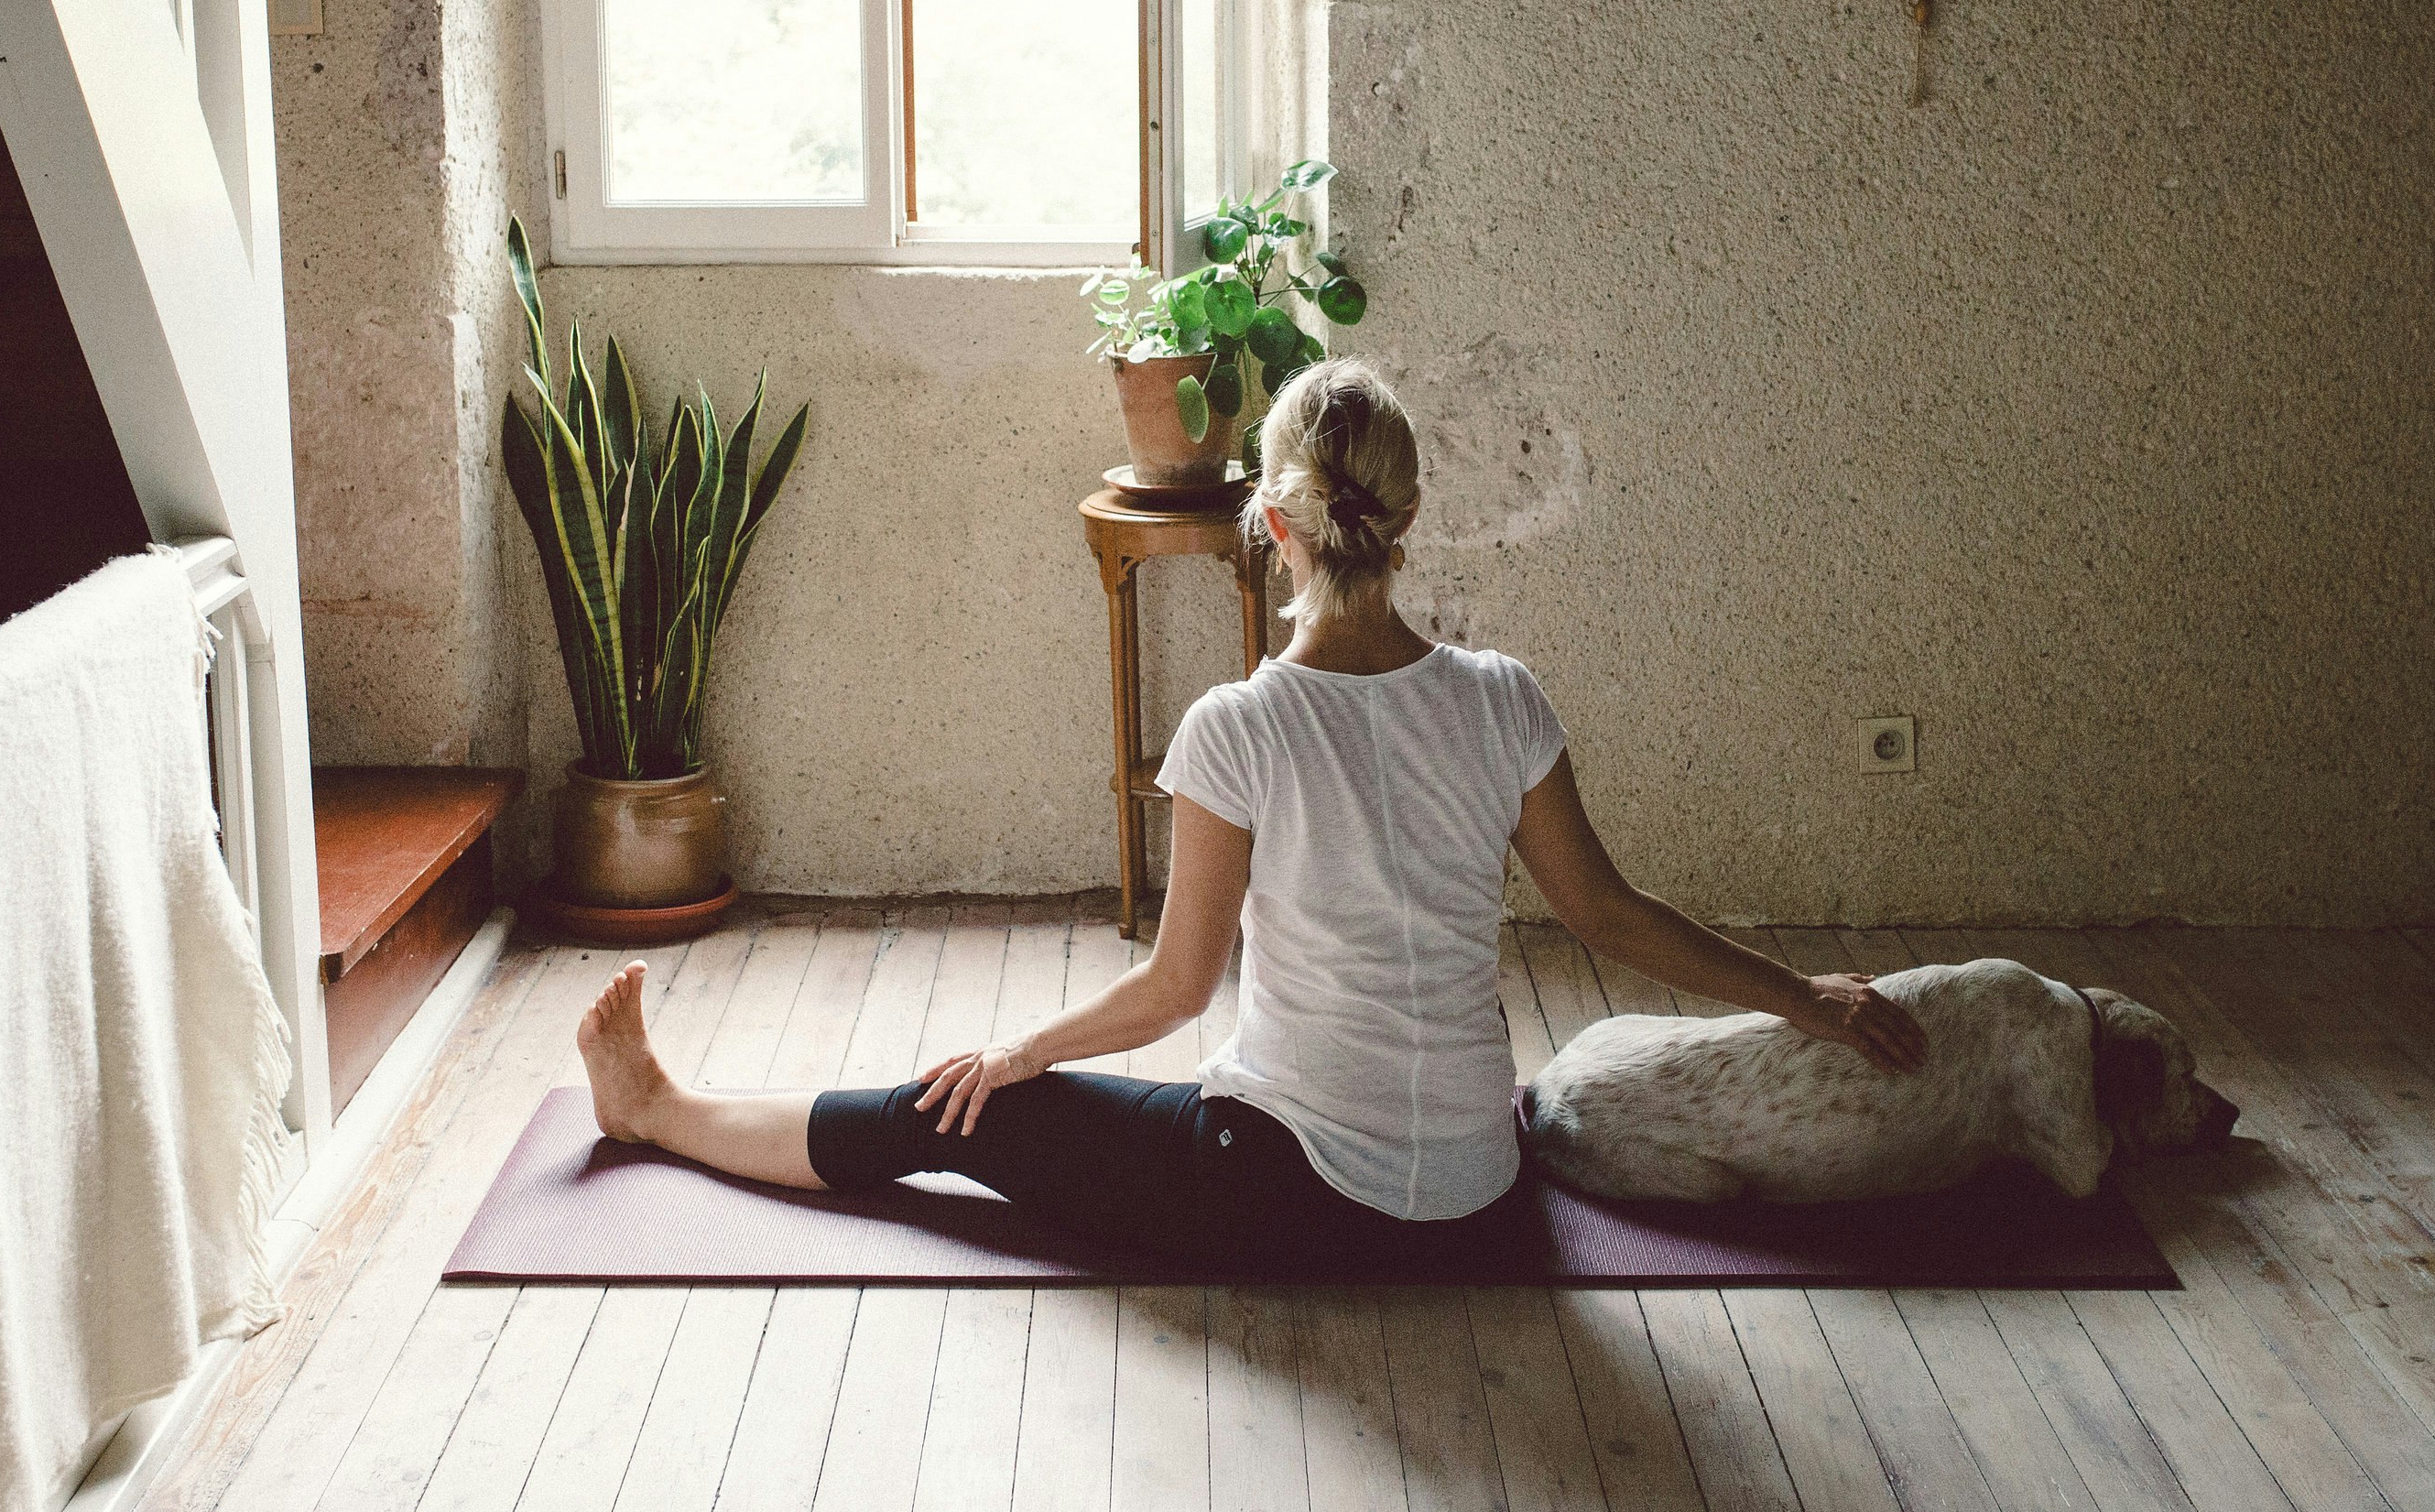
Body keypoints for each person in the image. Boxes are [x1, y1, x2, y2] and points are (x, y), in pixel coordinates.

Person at [572, 356, 1927, 1272]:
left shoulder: (1241, 727)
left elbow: (1174, 992)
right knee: (1048, 1090)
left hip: (1289, 1197)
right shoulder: (1503, 698)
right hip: (1474, 1200)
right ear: (1404, 525)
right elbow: (1610, 915)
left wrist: (1017, 1051)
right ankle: (675, 1104)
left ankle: (660, 1110)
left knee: (957, 1108)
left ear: (1270, 527)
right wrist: (1809, 996)